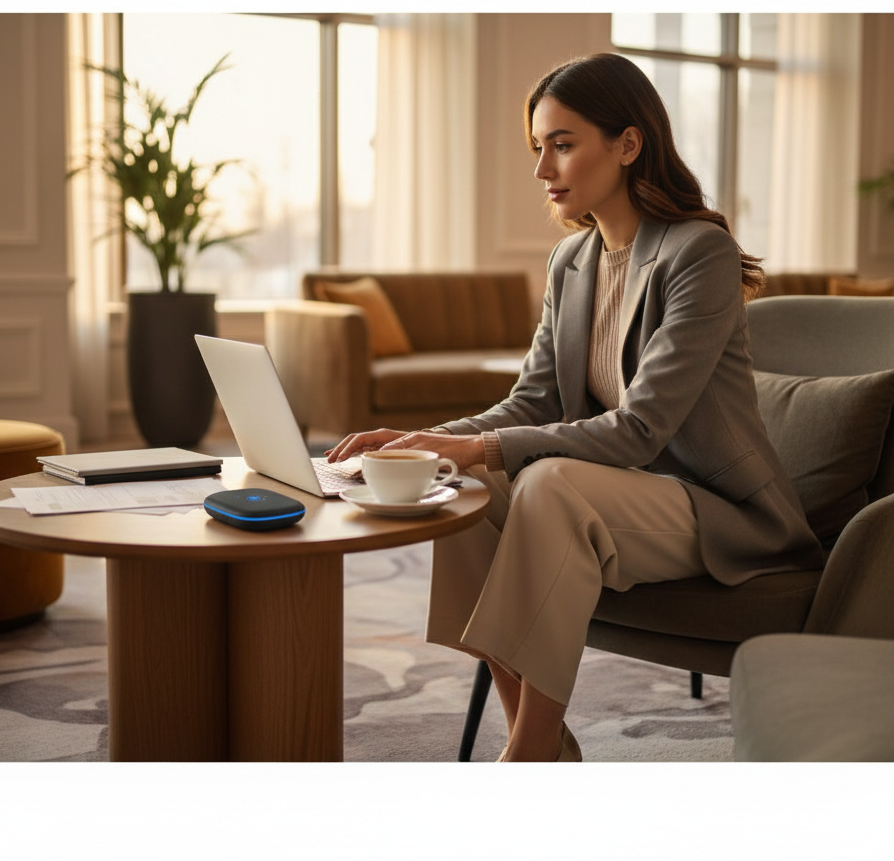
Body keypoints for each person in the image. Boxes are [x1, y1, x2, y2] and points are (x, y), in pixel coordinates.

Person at [326, 52, 823, 762]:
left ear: (628, 144)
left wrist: (482, 448)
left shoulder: (698, 254)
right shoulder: (573, 262)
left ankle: (527, 757)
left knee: (547, 482)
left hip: (714, 510)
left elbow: (643, 429)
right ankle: (543, 742)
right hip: (623, 498)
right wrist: (422, 440)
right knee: (462, 484)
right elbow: (530, 401)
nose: (542, 169)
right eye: (539, 147)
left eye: (562, 144)